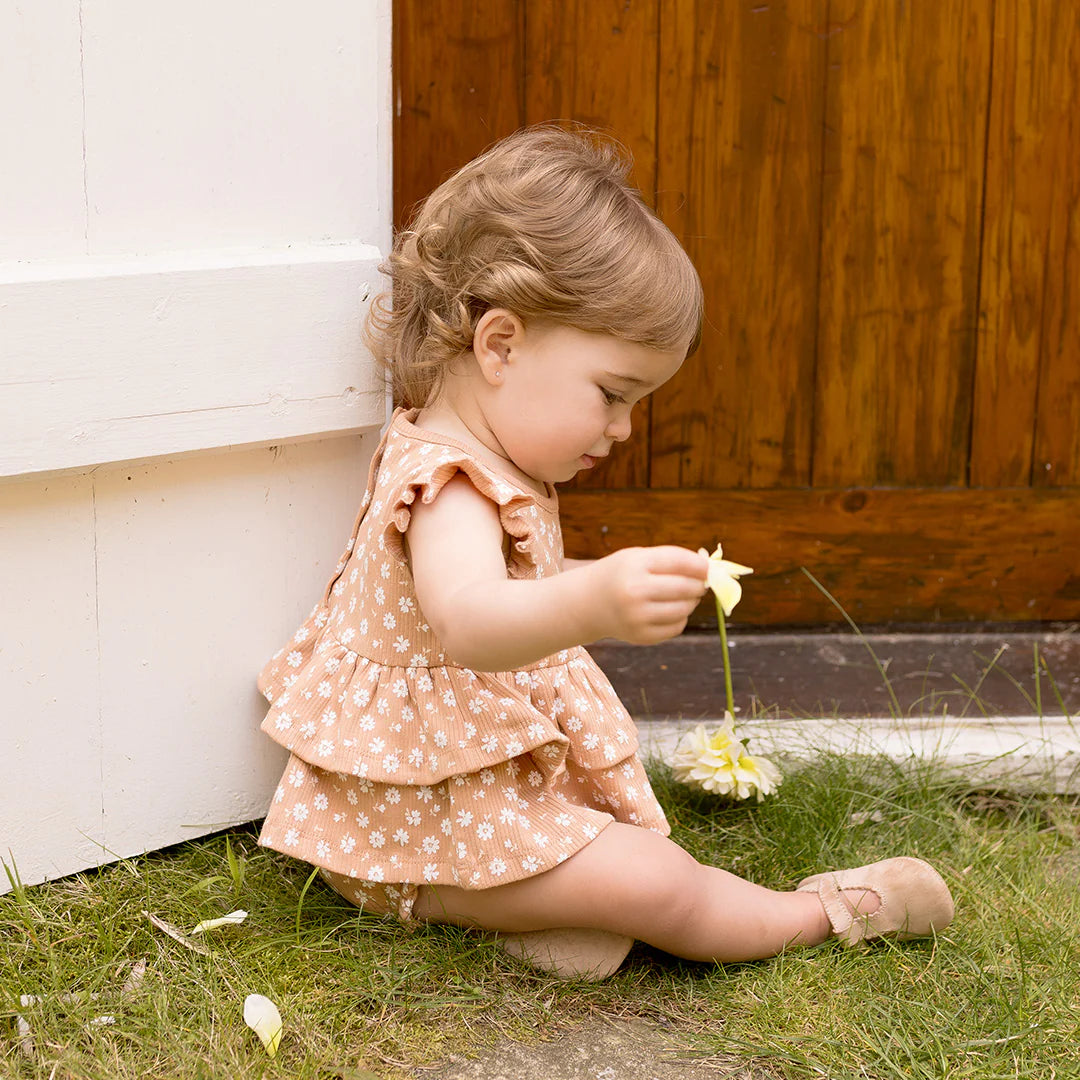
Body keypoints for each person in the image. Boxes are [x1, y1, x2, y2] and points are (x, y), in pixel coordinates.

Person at [255, 125, 954, 979]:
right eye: (612, 394)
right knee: (659, 884)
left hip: (460, 797)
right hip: (412, 833)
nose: (622, 429)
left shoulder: (484, 459)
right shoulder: (450, 485)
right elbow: (469, 619)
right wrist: (596, 601)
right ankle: (823, 912)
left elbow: (517, 589)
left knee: (621, 866)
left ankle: (538, 917)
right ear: (501, 345)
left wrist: (603, 583)